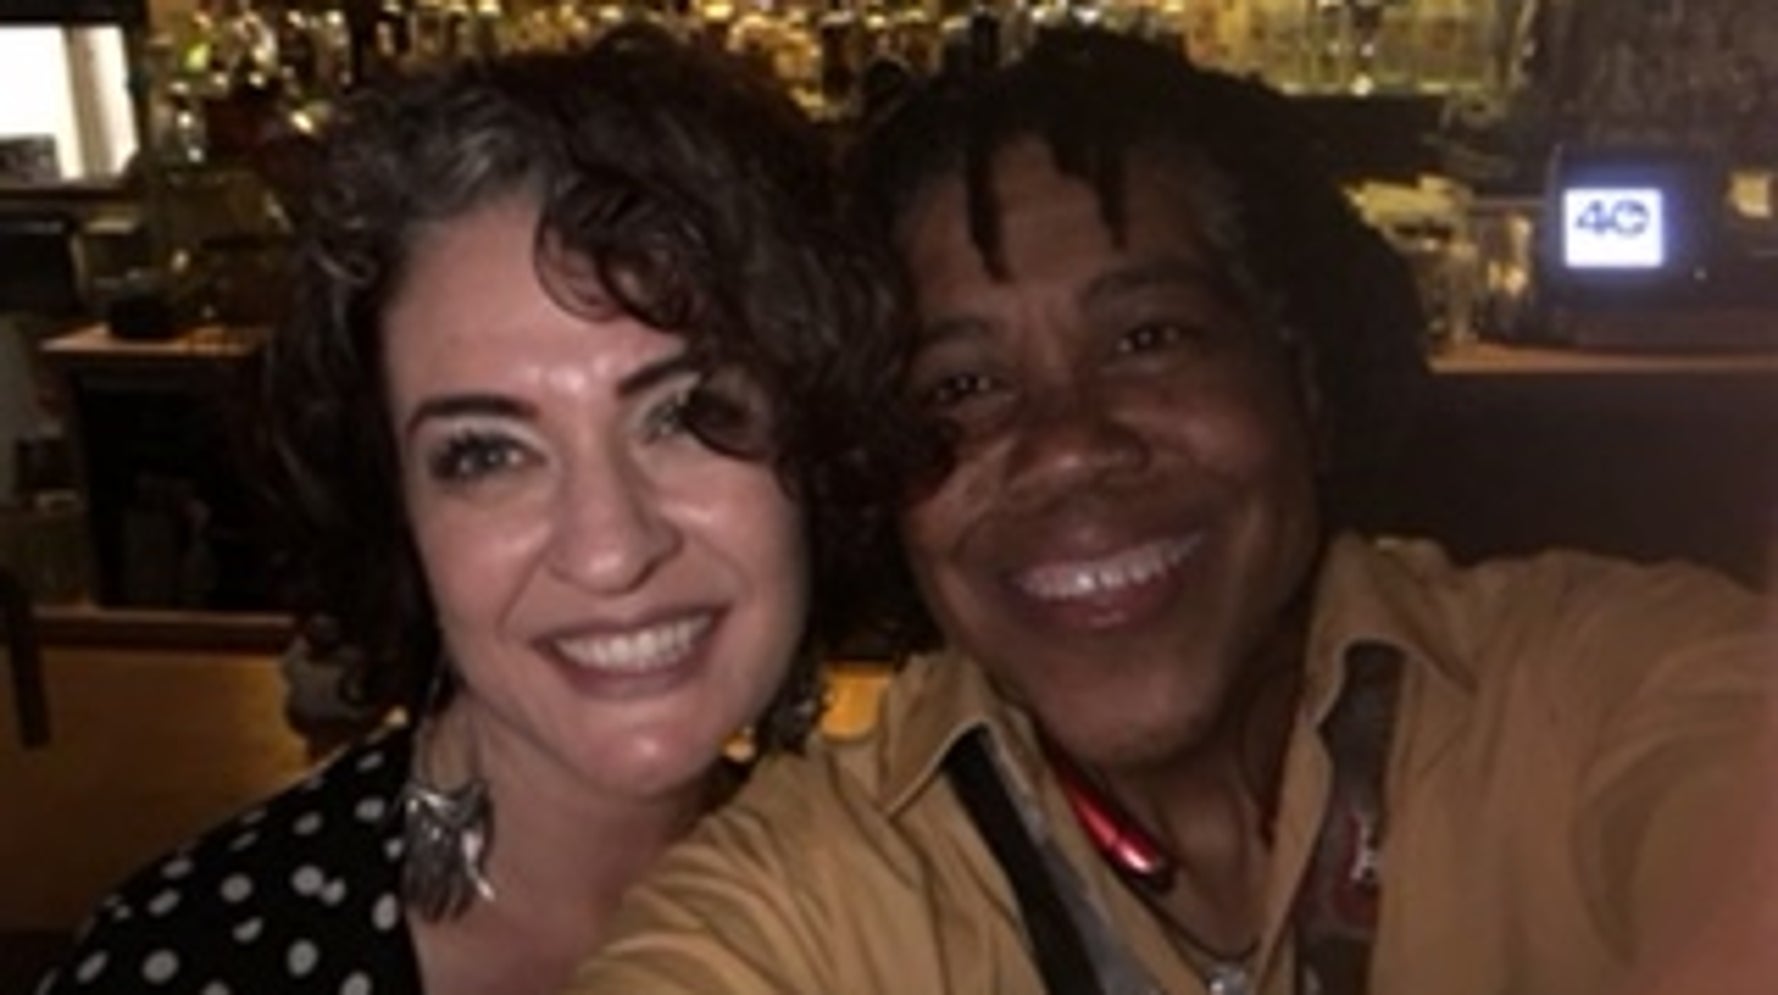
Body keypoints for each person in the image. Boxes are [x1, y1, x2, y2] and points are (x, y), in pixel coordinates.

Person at [569, 28, 1776, 995]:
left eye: (1148, 337)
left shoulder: (1590, 685)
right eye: (962, 387)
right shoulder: (820, 884)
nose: (1067, 443)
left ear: (1301, 375)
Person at [38, 29, 898, 995]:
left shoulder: (919, 927)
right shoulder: (190, 967)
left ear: (815, 438)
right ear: (396, 512)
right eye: (487, 453)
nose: (611, 549)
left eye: (686, 414)